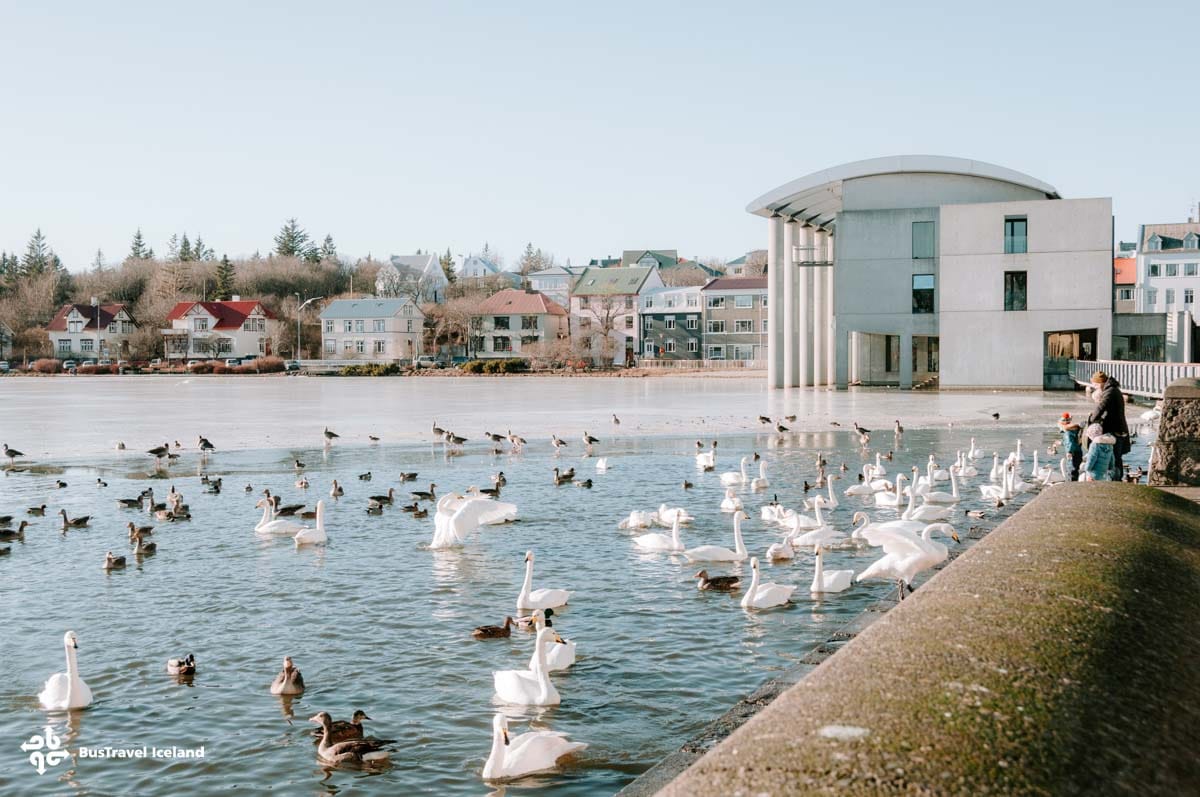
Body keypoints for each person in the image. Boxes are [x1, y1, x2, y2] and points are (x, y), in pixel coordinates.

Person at [1086, 371, 1129, 481]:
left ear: (1100, 382)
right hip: (1118, 429)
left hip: (1115, 430)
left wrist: (1091, 419)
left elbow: (1101, 407)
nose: (1094, 387)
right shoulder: (1113, 389)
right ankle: (1116, 480)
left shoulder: (1110, 392)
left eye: (1095, 384)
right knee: (1116, 458)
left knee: (1115, 458)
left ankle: (1116, 481)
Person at [1057, 412, 1083, 481]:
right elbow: (1072, 441)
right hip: (1078, 452)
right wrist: (1061, 442)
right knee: (1076, 469)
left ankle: (1072, 483)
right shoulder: (1074, 431)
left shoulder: (1067, 433)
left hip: (1073, 453)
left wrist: (1069, 451)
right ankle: (1075, 481)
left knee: (1071, 469)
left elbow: (1070, 442)